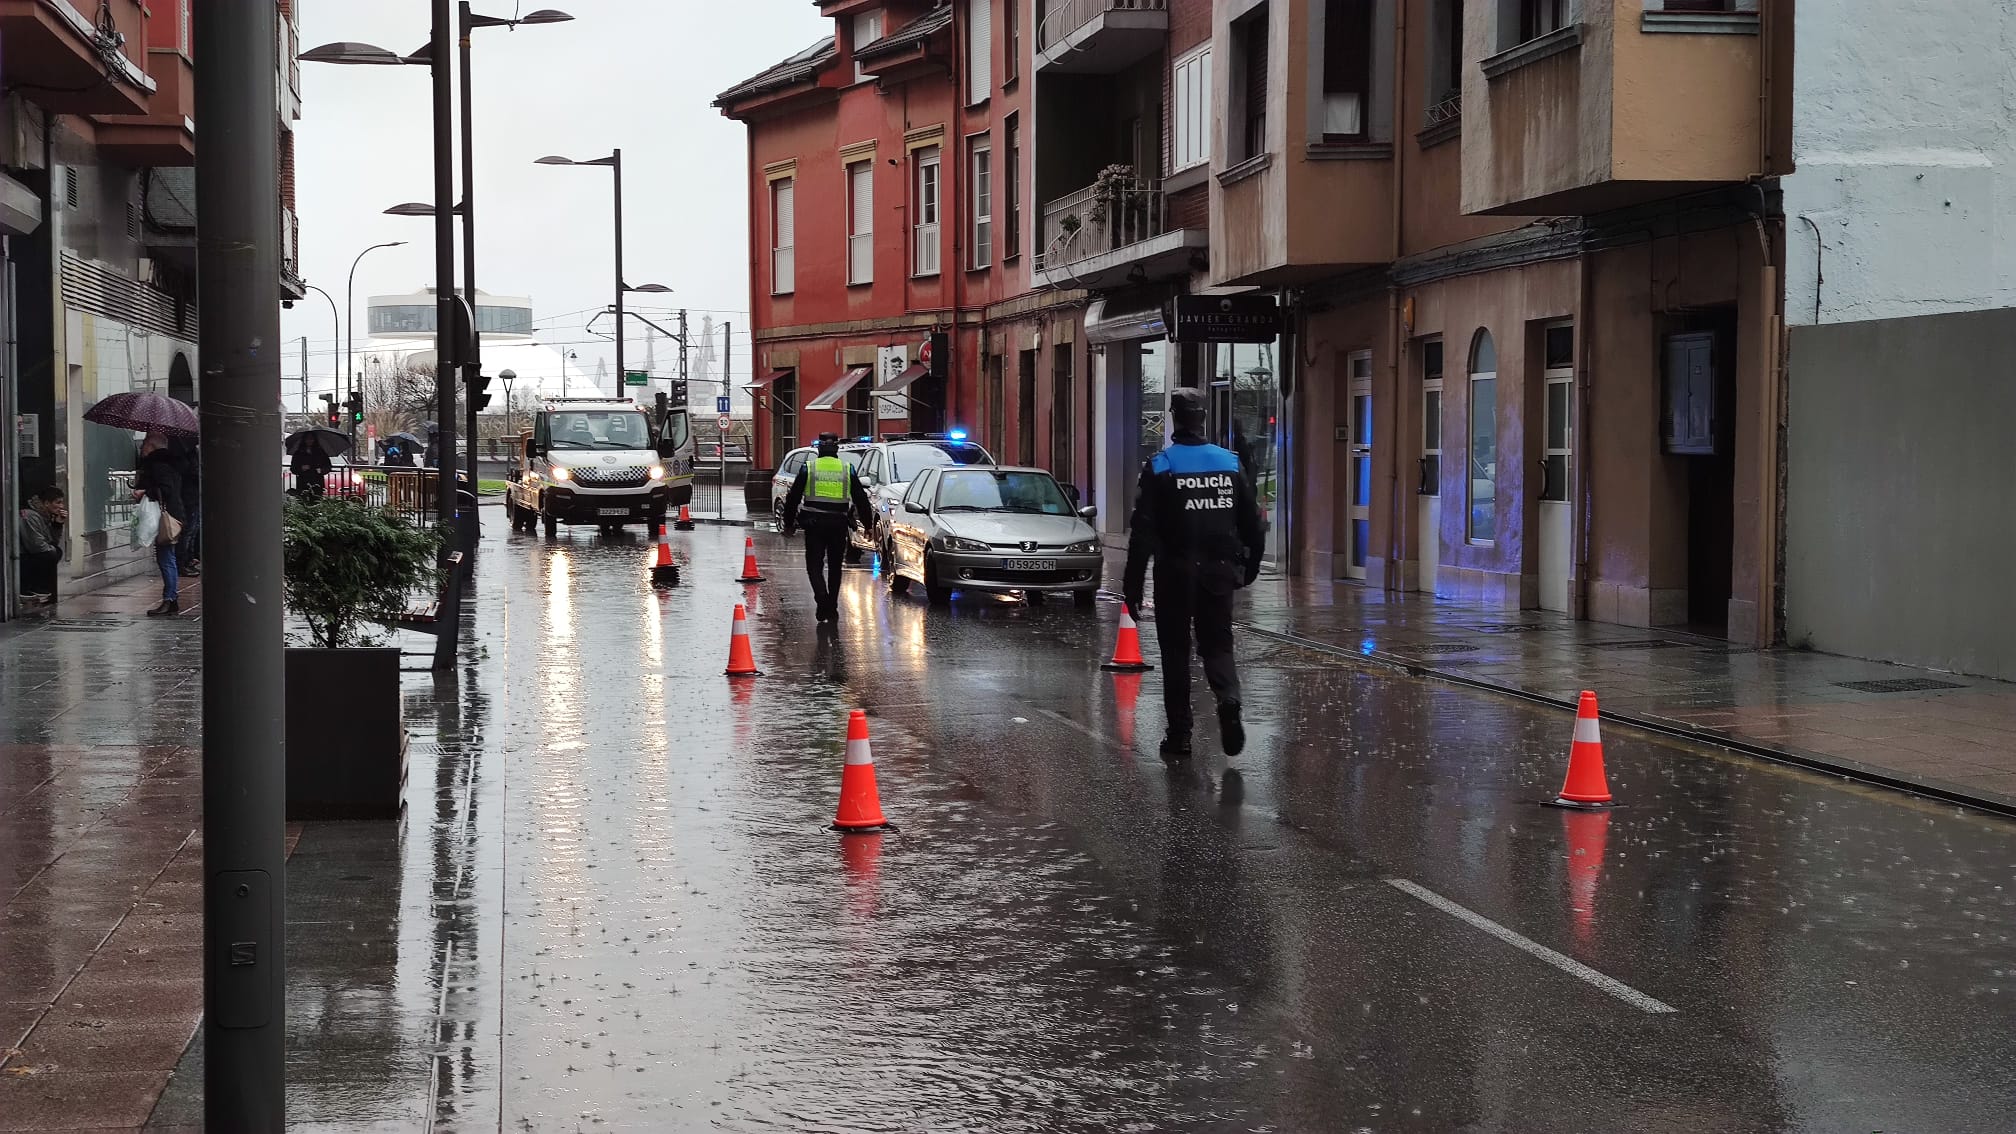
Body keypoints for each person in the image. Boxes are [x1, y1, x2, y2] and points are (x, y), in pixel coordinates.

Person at [1122, 387, 1265, 764]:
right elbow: (1252, 523)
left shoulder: (1161, 465)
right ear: (1203, 418)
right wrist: (1249, 569)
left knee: (1175, 653)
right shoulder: (1229, 464)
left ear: (1174, 417)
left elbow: (1143, 533)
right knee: (1218, 646)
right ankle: (1229, 698)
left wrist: (1132, 586)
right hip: (1219, 573)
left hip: (1175, 573)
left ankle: (1180, 735)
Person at [780, 433, 873, 625]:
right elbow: (861, 499)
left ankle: (822, 600)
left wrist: (789, 524)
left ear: (819, 449)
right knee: (835, 567)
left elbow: (793, 498)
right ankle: (832, 606)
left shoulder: (809, 468)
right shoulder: (848, 469)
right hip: (838, 525)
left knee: (814, 566)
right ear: (837, 449)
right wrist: (868, 524)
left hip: (814, 525)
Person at [134, 433, 186, 616]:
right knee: (166, 558)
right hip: (171, 514)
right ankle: (170, 600)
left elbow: (166, 490)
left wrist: (144, 492)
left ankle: (170, 599)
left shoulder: (159, 466)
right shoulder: (169, 464)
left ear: (153, 447)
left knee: (166, 559)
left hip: (165, 518)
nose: (141, 448)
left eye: (145, 445)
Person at [17, 486, 66, 605]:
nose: (61, 506)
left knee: (53, 553)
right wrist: (52, 550)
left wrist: (57, 524)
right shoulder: (30, 515)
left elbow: (51, 540)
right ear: (47, 503)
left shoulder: (45, 516)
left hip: (31, 552)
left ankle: (34, 586)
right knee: (49, 554)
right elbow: (36, 545)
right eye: (58, 502)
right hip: (23, 554)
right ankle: (26, 587)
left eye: (62, 502)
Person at [169, 435, 201, 577]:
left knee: (192, 529)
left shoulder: (189, 452)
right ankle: (183, 561)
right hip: (189, 496)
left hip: (191, 496)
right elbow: (191, 472)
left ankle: (187, 559)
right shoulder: (184, 454)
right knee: (188, 530)